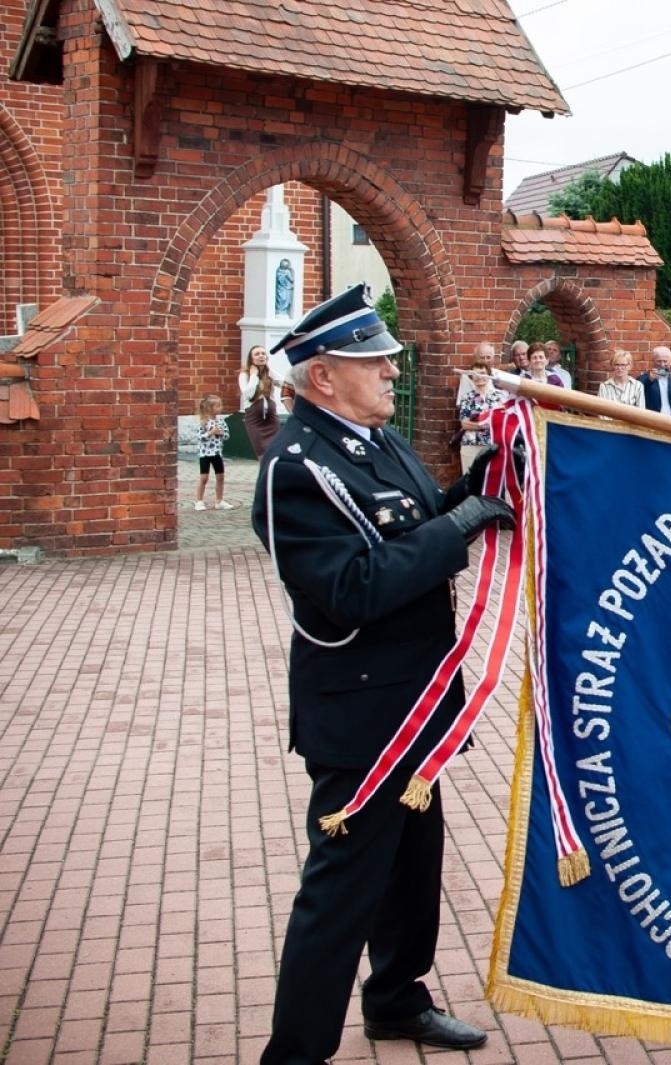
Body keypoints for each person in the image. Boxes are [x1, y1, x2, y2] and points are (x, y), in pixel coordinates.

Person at [252, 284, 514, 1065]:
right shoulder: (295, 468)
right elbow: (351, 587)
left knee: (411, 872)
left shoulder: (378, 440)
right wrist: (459, 525)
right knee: (340, 892)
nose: (393, 371)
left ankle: (397, 997)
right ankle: (295, 1053)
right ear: (323, 376)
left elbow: (425, 518)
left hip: (416, 703)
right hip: (361, 718)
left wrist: (484, 481)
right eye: (375, 362)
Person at [239, 344, 287, 457]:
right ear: (251, 359)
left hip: (271, 418)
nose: (261, 356)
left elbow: (286, 384)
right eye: (257, 354)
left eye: (263, 354)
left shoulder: (269, 373)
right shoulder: (244, 374)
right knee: (261, 452)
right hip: (254, 419)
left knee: (275, 450)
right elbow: (248, 394)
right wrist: (254, 376)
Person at [456, 368, 507, 473]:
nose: (479, 376)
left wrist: (476, 424)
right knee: (470, 477)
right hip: (471, 444)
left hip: (493, 445)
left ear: (489, 376)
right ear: (471, 377)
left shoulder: (500, 397)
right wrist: (485, 425)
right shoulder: (467, 398)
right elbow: (465, 424)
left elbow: (503, 420)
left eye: (483, 373)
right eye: (475, 374)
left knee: (491, 478)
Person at [194, 393, 234, 511]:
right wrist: (210, 433)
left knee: (220, 477)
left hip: (217, 453)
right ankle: (199, 501)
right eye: (218, 406)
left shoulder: (221, 421)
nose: (221, 408)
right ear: (209, 408)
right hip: (205, 454)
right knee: (204, 477)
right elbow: (199, 437)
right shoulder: (203, 422)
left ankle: (219, 501)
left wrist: (221, 433)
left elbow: (227, 435)